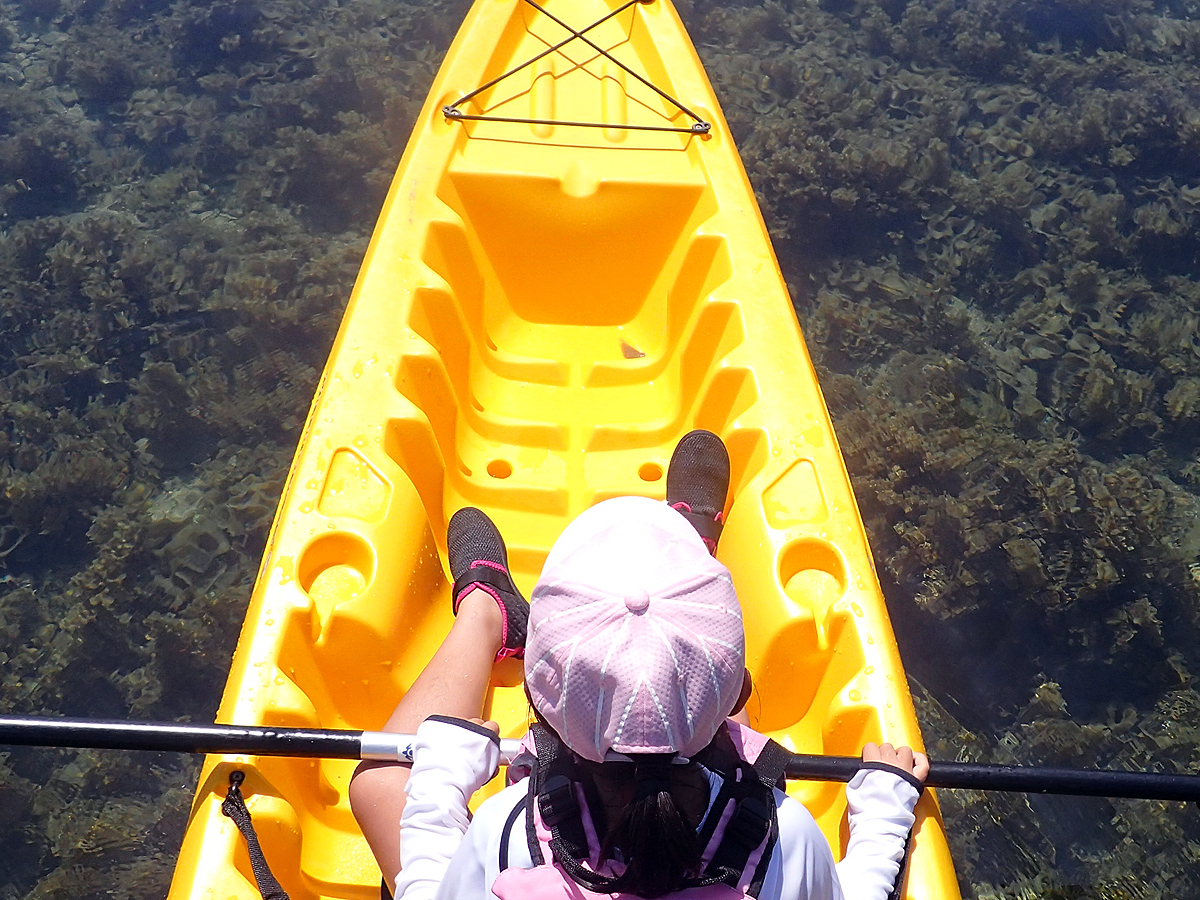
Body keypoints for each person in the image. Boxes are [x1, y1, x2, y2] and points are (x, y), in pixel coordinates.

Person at [349, 430, 929, 900]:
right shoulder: (788, 838)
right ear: (736, 693)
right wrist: (881, 827)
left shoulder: (504, 834)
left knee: (379, 784)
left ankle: (485, 609)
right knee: (720, 736)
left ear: (535, 704)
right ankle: (689, 567)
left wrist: (439, 782)